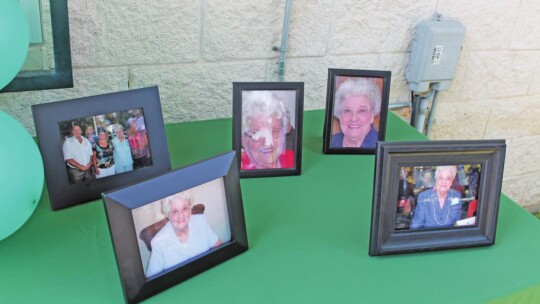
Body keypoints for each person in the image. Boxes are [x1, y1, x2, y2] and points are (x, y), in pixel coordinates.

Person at [146, 191, 222, 278]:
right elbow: (152, 279)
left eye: (184, 208)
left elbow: (218, 246)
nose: (180, 215)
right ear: (168, 214)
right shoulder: (158, 243)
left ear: (190, 209)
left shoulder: (201, 221)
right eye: (175, 211)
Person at [241, 91, 294, 170]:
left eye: (275, 131)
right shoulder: (240, 169)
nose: (268, 143)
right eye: (258, 133)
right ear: (244, 140)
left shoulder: (294, 160)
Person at [331, 77, 381, 148]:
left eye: (362, 111)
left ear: (372, 115)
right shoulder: (332, 142)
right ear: (339, 114)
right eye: (347, 111)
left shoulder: (379, 145)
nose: (354, 119)